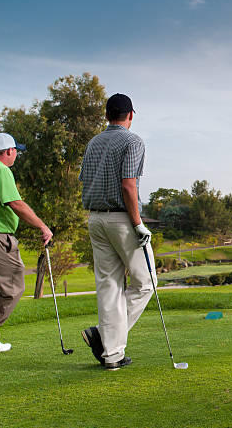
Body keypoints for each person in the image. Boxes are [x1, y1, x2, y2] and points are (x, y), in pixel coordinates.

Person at [79, 93, 154, 371]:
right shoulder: (133, 141)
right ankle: (103, 335)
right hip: (122, 220)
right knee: (146, 282)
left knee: (109, 285)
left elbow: (85, 180)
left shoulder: (93, 142)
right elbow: (128, 185)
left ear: (107, 115)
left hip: (95, 219)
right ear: (130, 115)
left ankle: (111, 355)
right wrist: (137, 223)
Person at [0, 133, 52, 355]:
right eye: (16, 151)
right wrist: (43, 226)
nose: (17, 155)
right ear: (8, 151)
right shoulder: (0, 170)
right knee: (14, 287)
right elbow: (15, 203)